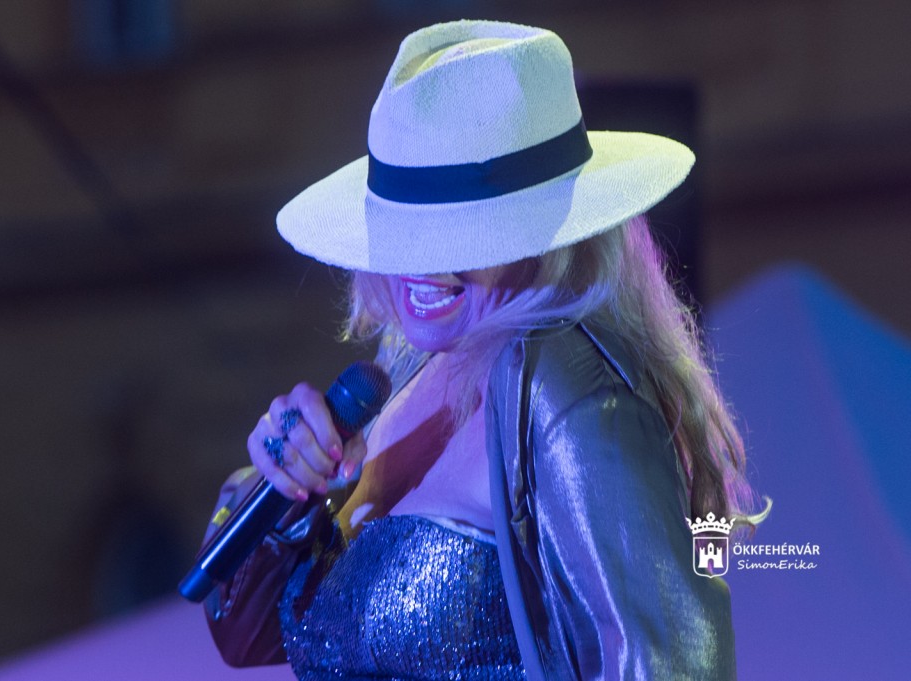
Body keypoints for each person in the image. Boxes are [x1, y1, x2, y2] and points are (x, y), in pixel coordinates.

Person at [200, 19, 764, 680]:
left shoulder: (570, 384)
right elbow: (245, 635)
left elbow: (669, 665)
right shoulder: (405, 370)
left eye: (466, 228)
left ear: (547, 226)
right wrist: (287, 488)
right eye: (409, 227)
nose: (428, 264)